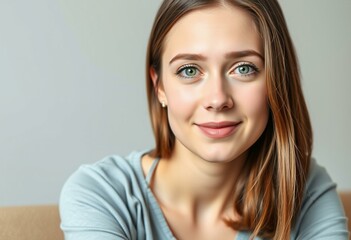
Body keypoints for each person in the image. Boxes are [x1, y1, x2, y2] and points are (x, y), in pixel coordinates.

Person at [59, 0, 349, 239]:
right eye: (189, 71)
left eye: (244, 68)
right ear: (160, 87)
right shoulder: (101, 195)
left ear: (276, 81)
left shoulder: (305, 190)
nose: (217, 98)